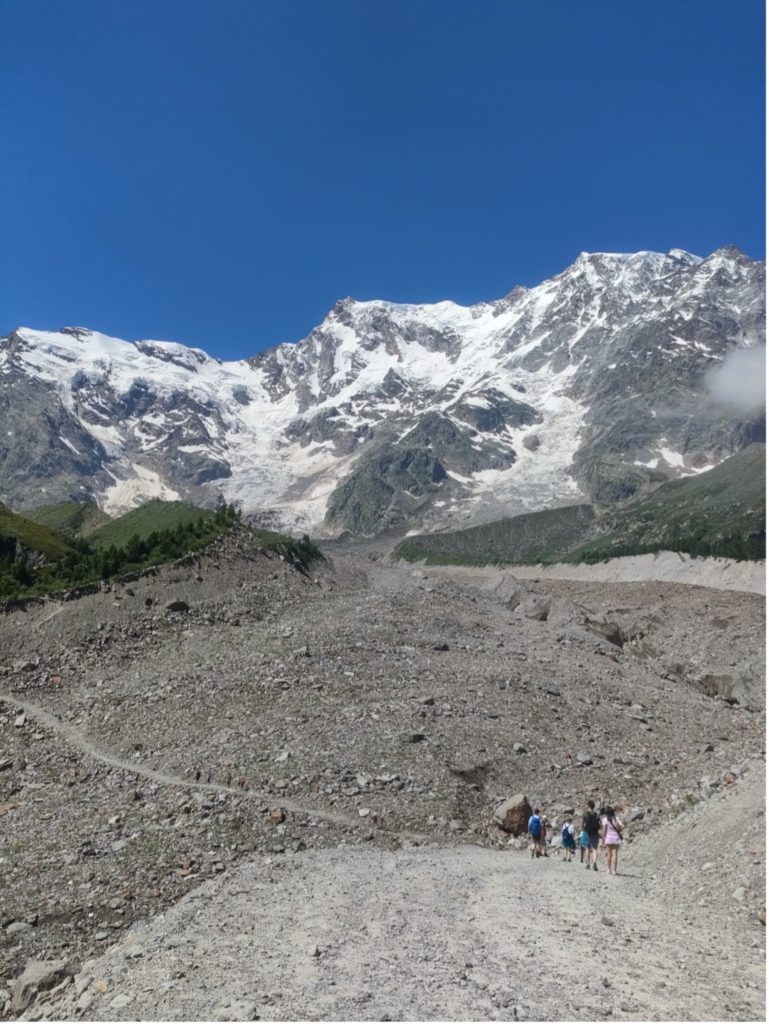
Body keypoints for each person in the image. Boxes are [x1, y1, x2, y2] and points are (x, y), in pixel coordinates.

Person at [601, 806, 624, 875]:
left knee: (609, 854)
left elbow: (604, 831)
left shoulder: (605, 820)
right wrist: (619, 829)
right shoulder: (616, 818)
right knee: (615, 854)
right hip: (616, 838)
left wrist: (603, 839)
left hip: (608, 838)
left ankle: (608, 869)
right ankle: (614, 870)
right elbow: (622, 825)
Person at [582, 799, 601, 871]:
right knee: (595, 849)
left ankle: (588, 864)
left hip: (587, 833)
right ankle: (595, 862)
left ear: (588, 805)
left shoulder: (585, 814)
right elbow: (599, 824)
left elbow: (583, 823)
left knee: (587, 848)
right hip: (595, 833)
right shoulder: (596, 814)